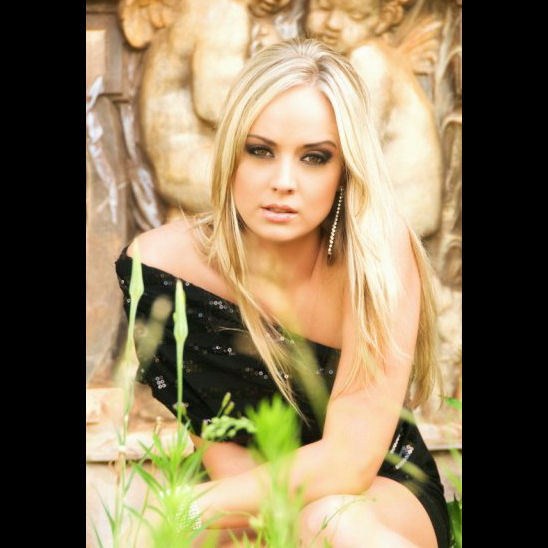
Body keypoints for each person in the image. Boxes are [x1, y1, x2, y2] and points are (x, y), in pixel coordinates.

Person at [115, 38, 450, 547]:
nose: (283, 182)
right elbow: (226, 456)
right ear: (231, 154)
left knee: (327, 519)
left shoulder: (377, 252)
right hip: (249, 489)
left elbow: (349, 462)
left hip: (378, 491)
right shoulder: (162, 270)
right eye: (260, 151)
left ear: (344, 170)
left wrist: (193, 506)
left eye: (315, 158)